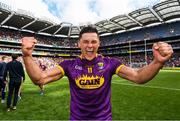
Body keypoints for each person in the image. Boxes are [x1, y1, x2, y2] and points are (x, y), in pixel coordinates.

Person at [21, 26, 173, 120]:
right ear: (79, 44)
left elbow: (138, 77)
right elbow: (39, 79)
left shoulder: (110, 63)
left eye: (93, 41)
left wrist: (158, 62)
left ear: (99, 43)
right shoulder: (68, 65)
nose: (89, 45)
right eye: (86, 42)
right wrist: (27, 55)